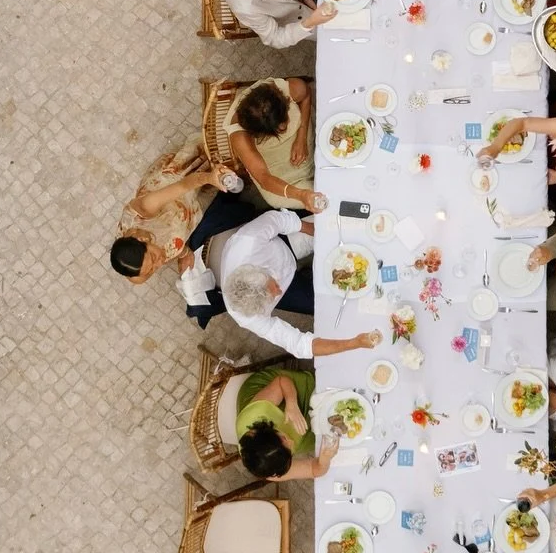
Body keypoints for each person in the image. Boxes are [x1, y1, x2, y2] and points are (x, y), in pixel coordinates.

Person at [109, 138, 261, 326]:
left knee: (224, 176)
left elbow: (184, 186)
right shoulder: (137, 273)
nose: (159, 264)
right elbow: (157, 258)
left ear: (141, 238)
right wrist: (184, 253)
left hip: (178, 191)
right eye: (151, 270)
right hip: (184, 221)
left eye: (153, 260)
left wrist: (209, 178)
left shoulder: (143, 210)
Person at [205, 206, 383, 359]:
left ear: (258, 269)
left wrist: (317, 232)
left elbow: (279, 220)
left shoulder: (248, 243)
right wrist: (354, 343)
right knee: (331, 307)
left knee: (342, 230)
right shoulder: (245, 315)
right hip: (290, 286)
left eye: (273, 286)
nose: (278, 291)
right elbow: (298, 344)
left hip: (283, 245)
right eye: (271, 299)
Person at [226, 77, 323, 211]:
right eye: (280, 128)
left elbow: (306, 95)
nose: (285, 126)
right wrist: (300, 194)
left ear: (287, 101)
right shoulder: (240, 136)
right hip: (276, 170)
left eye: (284, 120)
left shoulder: (292, 89)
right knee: (281, 199)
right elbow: (263, 177)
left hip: (302, 138)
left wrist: (301, 137)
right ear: (257, 133)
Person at [235, 365, 341, 479]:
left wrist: (291, 404)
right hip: (275, 437)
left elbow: (282, 381)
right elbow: (314, 470)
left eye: (284, 438)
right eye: (289, 452)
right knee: (326, 435)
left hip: (267, 390)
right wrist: (324, 460)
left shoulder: (258, 413)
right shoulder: (271, 466)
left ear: (267, 429)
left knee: (324, 391)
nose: (291, 442)